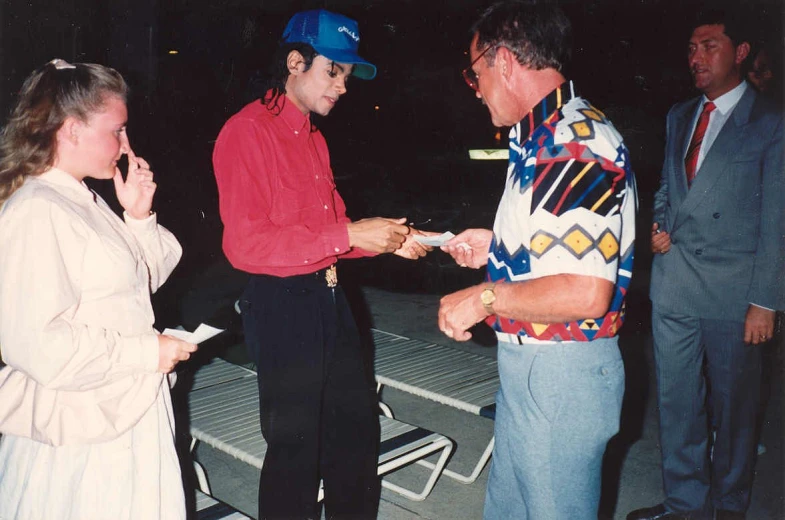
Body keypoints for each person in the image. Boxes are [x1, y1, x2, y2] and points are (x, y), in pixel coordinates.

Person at [212, 9, 431, 520]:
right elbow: (245, 246)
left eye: (347, 77)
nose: (343, 86)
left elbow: (328, 235)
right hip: (281, 304)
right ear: (295, 61)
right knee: (295, 451)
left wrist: (386, 241)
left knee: (356, 436)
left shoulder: (314, 137)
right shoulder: (246, 132)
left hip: (331, 299)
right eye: (334, 71)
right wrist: (352, 233)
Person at [437, 2, 637, 519]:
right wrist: (498, 246)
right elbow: (559, 252)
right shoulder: (541, 137)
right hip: (536, 370)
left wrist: (483, 297)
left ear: (503, 61)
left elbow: (583, 291)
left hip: (560, 375)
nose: (475, 87)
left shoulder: (571, 144)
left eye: (475, 72)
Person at [0, 59, 196, 519]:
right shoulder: (38, 208)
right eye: (117, 130)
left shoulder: (80, 198)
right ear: (70, 131)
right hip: (84, 430)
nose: (125, 145)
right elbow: (36, 344)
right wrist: (147, 354)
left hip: (121, 409)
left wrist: (139, 217)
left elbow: (135, 287)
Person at [627, 8, 784, 520]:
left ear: (740, 52)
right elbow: (669, 187)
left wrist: (765, 302)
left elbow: (778, 219)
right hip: (674, 287)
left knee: (735, 412)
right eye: (692, 48)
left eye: (709, 45)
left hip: (734, 296)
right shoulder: (680, 115)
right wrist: (658, 226)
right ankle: (684, 505)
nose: (695, 57)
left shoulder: (770, 123)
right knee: (676, 406)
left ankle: (730, 507)